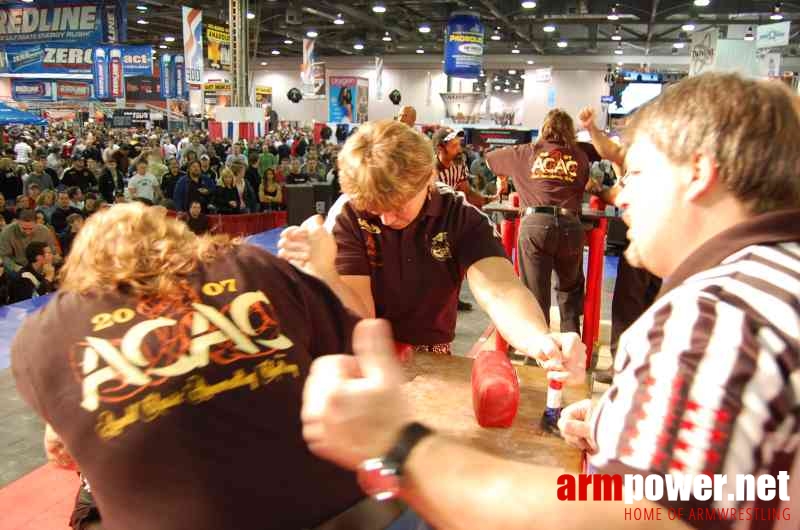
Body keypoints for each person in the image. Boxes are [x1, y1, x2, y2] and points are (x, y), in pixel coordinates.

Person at [298, 72, 800, 530]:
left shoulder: (715, 319)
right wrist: (616, 425)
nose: (619, 196)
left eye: (638, 173)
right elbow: (739, 495)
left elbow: (636, 517)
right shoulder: (768, 286)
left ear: (698, 174)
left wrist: (400, 449)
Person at [12, 202, 427, 530]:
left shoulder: (42, 336)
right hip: (348, 514)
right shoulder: (251, 266)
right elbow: (362, 350)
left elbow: (61, 441)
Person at [279, 120, 578, 360]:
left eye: (398, 206)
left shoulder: (460, 216)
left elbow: (499, 290)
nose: (386, 219)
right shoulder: (348, 213)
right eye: (375, 209)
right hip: (361, 349)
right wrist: (325, 273)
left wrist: (538, 339)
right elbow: (361, 322)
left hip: (431, 350)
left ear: (428, 179)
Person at [577, 106, 663, 383]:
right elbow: (611, 157)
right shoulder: (647, 158)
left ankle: (623, 368)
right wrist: (591, 129)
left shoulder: (647, 158)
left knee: (629, 304)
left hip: (647, 242)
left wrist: (599, 190)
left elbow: (615, 173)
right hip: (654, 244)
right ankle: (641, 368)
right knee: (651, 305)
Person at [486, 109, 591, 333]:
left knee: (534, 293)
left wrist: (502, 176)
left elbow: (490, 160)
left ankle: (540, 353)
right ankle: (571, 348)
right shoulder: (581, 155)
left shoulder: (525, 152)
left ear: (544, 129)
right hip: (570, 226)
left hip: (535, 225)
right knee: (570, 291)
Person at [0, 209, 60, 273]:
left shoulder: (45, 231)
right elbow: (4, 256)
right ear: (18, 222)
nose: (27, 232)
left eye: (31, 228)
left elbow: (52, 252)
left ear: (37, 223)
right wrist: (19, 269)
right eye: (24, 228)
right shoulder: (7, 232)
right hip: (18, 267)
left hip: (41, 266)